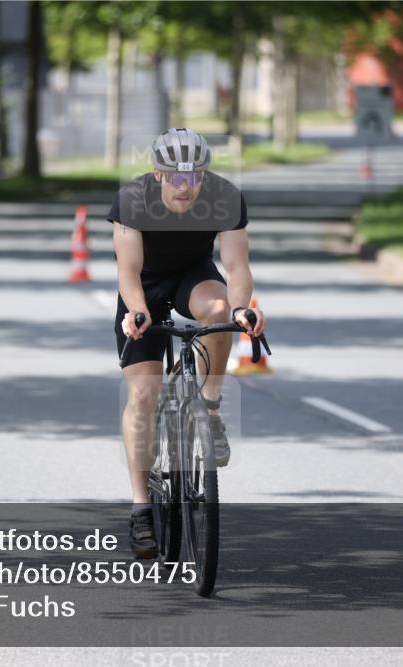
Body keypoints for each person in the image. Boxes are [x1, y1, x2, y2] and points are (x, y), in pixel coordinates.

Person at [108, 128, 267, 559]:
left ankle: (210, 408)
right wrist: (137, 312)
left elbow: (236, 265)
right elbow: (128, 271)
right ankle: (142, 507)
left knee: (217, 315)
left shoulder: (224, 196)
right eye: (175, 177)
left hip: (193, 275)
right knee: (142, 393)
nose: (184, 186)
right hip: (144, 286)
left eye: (193, 177)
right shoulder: (132, 200)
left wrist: (240, 309)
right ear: (157, 175)